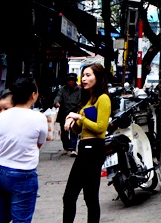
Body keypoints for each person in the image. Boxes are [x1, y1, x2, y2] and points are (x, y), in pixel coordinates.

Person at [0, 76, 47, 223]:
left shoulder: (2, 116)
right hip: (23, 174)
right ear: (33, 95)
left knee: (0, 218)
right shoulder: (39, 118)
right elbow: (39, 143)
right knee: (21, 220)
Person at [62, 62, 110, 223]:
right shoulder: (88, 101)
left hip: (94, 149)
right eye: (83, 75)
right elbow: (78, 130)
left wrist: (79, 117)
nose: (84, 78)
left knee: (90, 198)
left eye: (88, 75)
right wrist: (71, 121)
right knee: (69, 196)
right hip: (84, 148)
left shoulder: (103, 99)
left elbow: (101, 128)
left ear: (99, 77)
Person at [53, 73, 82, 156]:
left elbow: (81, 102)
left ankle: (73, 149)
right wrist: (57, 103)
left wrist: (78, 111)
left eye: (72, 80)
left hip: (74, 112)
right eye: (69, 80)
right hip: (64, 113)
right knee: (64, 132)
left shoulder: (79, 90)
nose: (71, 82)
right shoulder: (63, 89)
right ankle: (66, 147)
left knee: (74, 132)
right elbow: (58, 97)